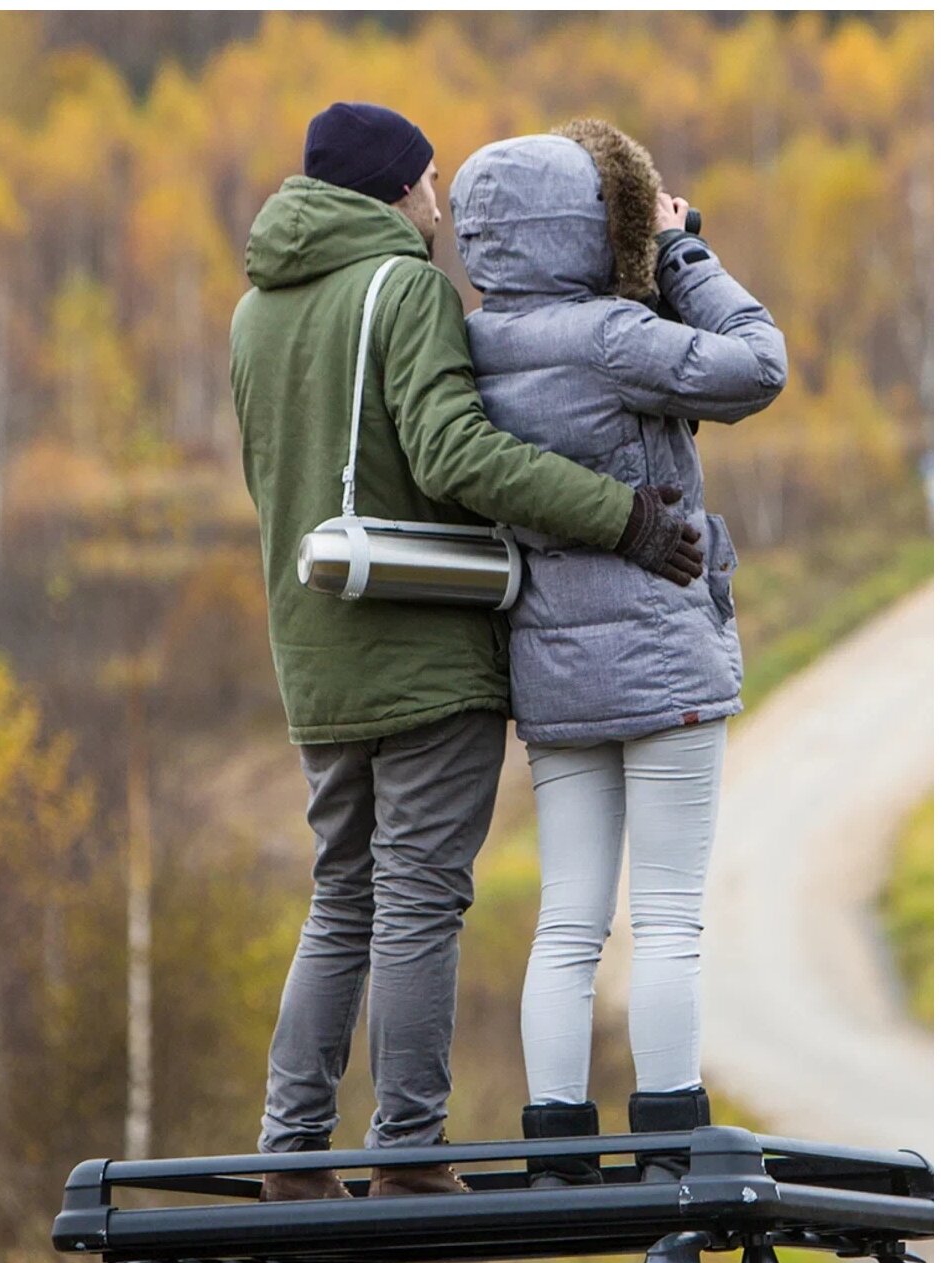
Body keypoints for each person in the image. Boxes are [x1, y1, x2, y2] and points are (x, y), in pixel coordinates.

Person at [230, 103, 704, 1202]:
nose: (439, 206)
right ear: (392, 189)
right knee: (417, 899)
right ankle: (408, 1154)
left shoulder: (255, 310)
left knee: (341, 897)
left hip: (314, 648)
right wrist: (621, 516)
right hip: (424, 651)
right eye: (429, 181)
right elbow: (454, 453)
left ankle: (291, 1154)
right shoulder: (404, 290)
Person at [449, 121, 787, 1186]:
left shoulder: (473, 343)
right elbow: (757, 365)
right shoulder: (612, 337)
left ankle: (557, 1154)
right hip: (662, 659)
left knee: (567, 922)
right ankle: (672, 1149)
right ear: (584, 228)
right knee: (669, 919)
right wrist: (682, 255)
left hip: (553, 674)